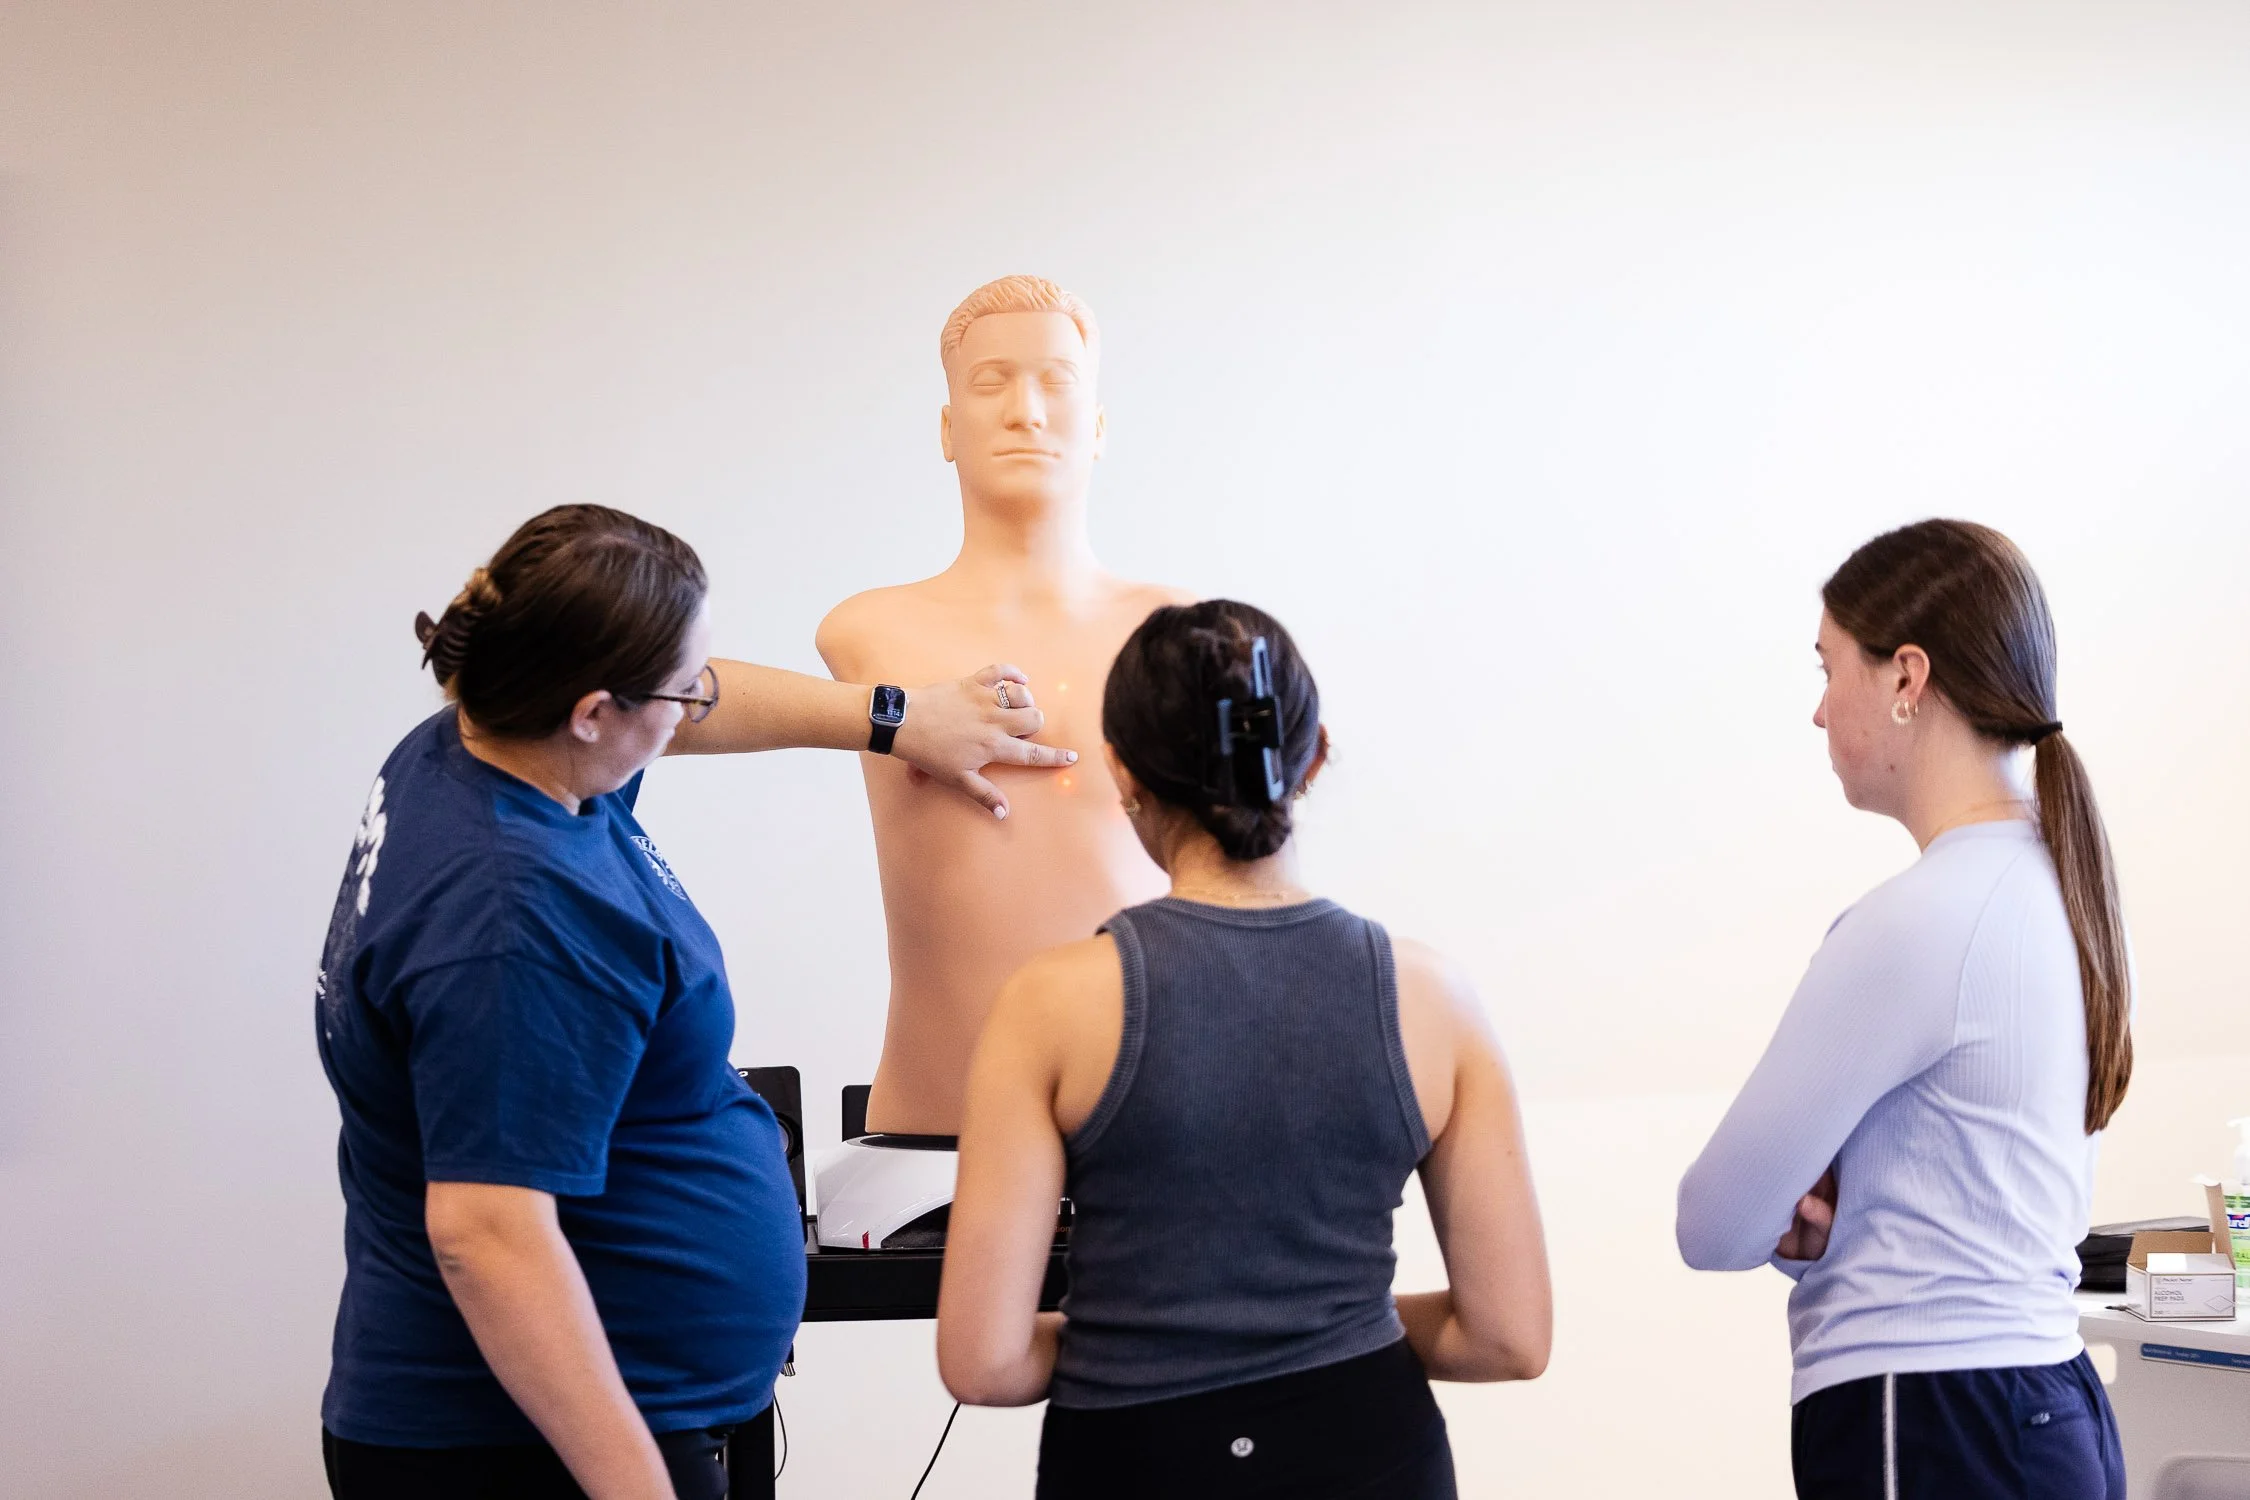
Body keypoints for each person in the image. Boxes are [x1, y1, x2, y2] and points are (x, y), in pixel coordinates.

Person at [315, 504, 1075, 1500]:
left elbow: (703, 704)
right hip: (526, 1447)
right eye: (679, 689)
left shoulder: (498, 742)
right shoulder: (513, 917)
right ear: (595, 710)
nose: (695, 705)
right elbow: (487, 1233)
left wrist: (897, 719)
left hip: (600, 1408)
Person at [935, 600, 1553, 1500]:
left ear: (1123, 772)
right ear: (1315, 754)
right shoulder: (1435, 999)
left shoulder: (1051, 1004)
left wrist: (1146, 1334)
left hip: (1133, 1459)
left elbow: (985, 1365)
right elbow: (1508, 1337)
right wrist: (1327, 1327)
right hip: (1373, 1450)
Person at [1676, 520, 2131, 1499]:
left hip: (1931, 1419)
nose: (1816, 711)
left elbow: (1711, 1223)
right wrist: (1841, 1224)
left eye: (1827, 667)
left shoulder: (1918, 920)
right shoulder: (2063, 892)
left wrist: (1811, 1227)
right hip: (2051, 1408)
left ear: (1905, 678)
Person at [817, 274, 1193, 1135]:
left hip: (1149, 1116)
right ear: (948, 430)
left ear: (1098, 428)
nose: (1026, 411)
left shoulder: (1170, 629)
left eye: (1057, 382)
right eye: (991, 383)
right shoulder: (868, 631)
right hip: (936, 1115)